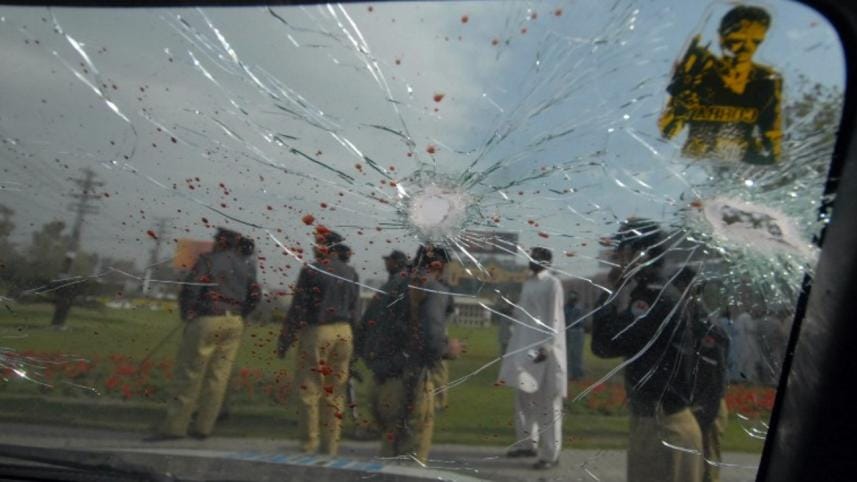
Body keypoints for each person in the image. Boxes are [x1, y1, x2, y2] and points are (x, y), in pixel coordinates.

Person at [591, 218, 703, 482]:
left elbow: (604, 345)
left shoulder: (652, 297)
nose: (616, 256)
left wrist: (611, 288)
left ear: (640, 254)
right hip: (657, 423)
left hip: (664, 428)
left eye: (622, 250)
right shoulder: (653, 292)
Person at [148, 228, 260, 441]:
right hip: (234, 321)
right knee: (218, 377)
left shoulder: (208, 260)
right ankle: (203, 428)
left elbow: (191, 288)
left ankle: (174, 428)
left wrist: (188, 313)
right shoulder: (247, 265)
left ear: (221, 242)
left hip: (208, 318)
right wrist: (242, 314)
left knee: (189, 374)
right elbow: (255, 295)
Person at [362, 245, 460, 463]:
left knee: (389, 455)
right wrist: (449, 350)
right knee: (410, 462)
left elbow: (363, 331)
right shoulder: (432, 287)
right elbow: (432, 343)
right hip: (410, 385)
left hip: (379, 384)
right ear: (440, 265)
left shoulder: (390, 285)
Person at [659, 5, 781, 165]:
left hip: (742, 173)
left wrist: (769, 161)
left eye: (756, 41)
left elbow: (771, 134)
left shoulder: (767, 80)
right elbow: (667, 133)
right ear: (722, 37)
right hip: (693, 171)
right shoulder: (698, 73)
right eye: (738, 39)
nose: (746, 47)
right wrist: (682, 107)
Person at [277, 227, 359, 456]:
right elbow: (355, 310)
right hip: (345, 332)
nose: (314, 247)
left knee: (310, 389)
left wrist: (285, 339)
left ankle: (308, 444)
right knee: (335, 391)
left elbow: (298, 308)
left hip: (318, 330)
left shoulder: (312, 270)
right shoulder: (350, 272)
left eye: (318, 243)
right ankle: (330, 445)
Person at [498, 247, 567, 470]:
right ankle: (527, 443)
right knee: (523, 398)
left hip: (545, 351)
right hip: (524, 349)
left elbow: (554, 318)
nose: (531, 262)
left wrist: (547, 347)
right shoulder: (528, 283)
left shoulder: (552, 283)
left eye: (536, 259)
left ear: (547, 262)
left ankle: (550, 454)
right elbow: (522, 315)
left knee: (547, 402)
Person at [564, 289, 586, 381]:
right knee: (569, 353)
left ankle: (578, 374)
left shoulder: (578, 308)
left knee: (577, 353)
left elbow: (579, 321)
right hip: (568, 331)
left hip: (577, 331)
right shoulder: (565, 307)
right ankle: (571, 374)